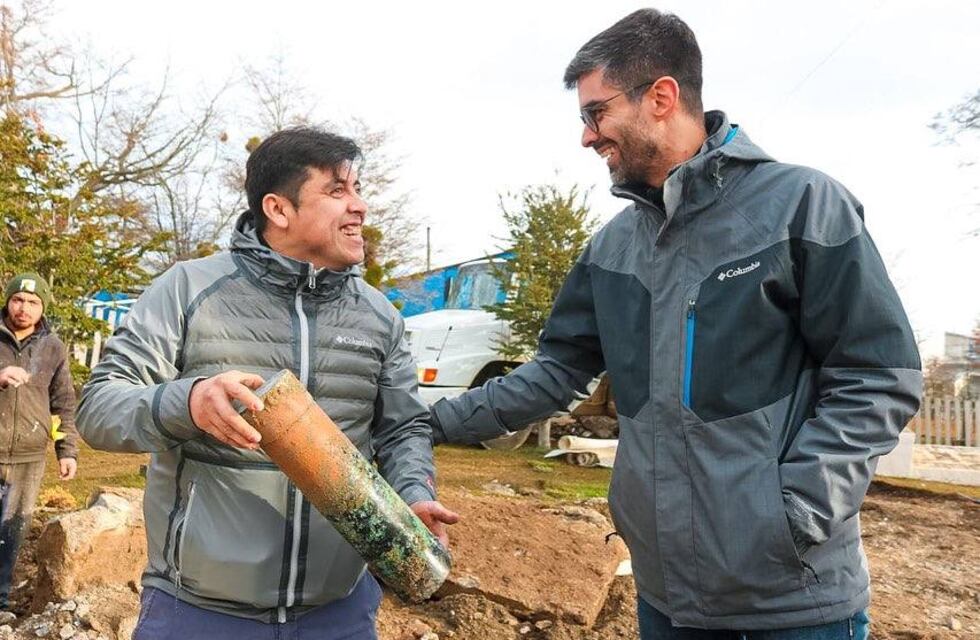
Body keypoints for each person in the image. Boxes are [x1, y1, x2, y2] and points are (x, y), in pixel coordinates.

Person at [428, 8, 921, 639]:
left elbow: (879, 374)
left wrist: (795, 512)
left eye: (595, 113)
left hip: (793, 605)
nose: (586, 137)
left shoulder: (802, 206)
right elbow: (555, 372)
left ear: (661, 97)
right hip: (666, 603)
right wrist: (428, 421)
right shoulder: (611, 249)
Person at [77, 127, 458, 639]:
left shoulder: (378, 316)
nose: (360, 206)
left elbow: (403, 429)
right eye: (338, 190)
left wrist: (411, 492)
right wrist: (188, 402)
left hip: (337, 615)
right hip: (198, 614)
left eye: (358, 189)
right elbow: (99, 407)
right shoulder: (188, 289)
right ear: (278, 209)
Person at [0, 273, 78, 609]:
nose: (24, 308)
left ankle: (1, 600)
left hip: (28, 457)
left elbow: (62, 404)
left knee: (12, 531)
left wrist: (67, 450)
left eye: (33, 302)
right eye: (18, 299)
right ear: (7, 301)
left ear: (42, 307)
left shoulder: (53, 347)